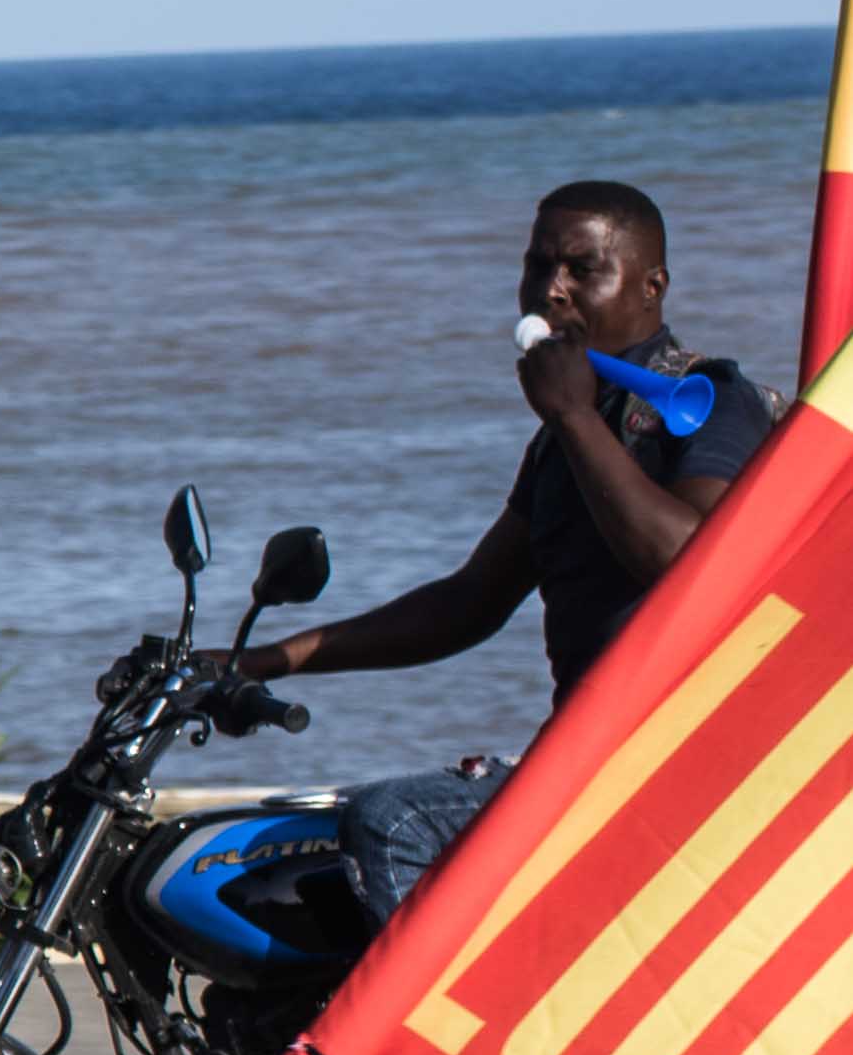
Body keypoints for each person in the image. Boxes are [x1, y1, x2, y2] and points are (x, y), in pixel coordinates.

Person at [255, 177, 775, 721]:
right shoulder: (572, 430)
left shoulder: (713, 400)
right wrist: (270, 660)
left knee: (392, 813)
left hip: (676, 751)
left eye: (583, 270)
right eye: (537, 267)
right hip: (584, 746)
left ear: (652, 286)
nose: (551, 290)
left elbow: (691, 567)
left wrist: (572, 416)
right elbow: (471, 602)